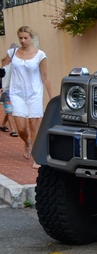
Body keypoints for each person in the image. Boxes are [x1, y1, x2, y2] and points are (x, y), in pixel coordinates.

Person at [1, 27, 53, 169]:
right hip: (17, 93)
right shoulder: (12, 53)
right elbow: (3, 68)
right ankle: (27, 142)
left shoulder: (40, 54)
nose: (23, 41)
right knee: (21, 128)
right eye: (21, 38)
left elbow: (45, 77)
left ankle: (36, 157)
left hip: (34, 93)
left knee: (33, 125)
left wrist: (52, 97)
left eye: (26, 38)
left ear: (31, 38)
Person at [1, 43, 18, 137]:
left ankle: (3, 124)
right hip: (6, 91)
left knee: (10, 111)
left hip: (15, 91)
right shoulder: (5, 64)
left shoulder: (17, 64)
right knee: (10, 111)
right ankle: (13, 130)